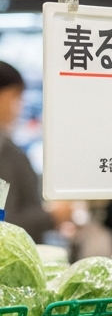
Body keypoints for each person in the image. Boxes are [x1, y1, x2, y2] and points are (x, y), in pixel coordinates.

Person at [0, 62, 53, 243]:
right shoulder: (4, 153)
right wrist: (52, 216)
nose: (19, 107)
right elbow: (5, 222)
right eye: (17, 97)